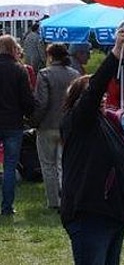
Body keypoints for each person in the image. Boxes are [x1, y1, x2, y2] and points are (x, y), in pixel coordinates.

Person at [60, 25, 124, 264]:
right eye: (95, 95)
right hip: (89, 212)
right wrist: (115, 55)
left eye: (103, 97)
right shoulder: (78, 122)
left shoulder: (111, 123)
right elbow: (94, 90)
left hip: (114, 214)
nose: (102, 98)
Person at [31, 44, 80, 210]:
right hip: (68, 126)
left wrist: (34, 122)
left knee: (48, 165)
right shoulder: (75, 74)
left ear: (50, 56)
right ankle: (67, 198)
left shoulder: (44, 74)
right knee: (64, 164)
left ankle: (53, 201)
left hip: (47, 125)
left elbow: (41, 102)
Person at [0, 35, 35, 215]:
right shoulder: (19, 70)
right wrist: (32, 115)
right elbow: (27, 99)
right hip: (13, 123)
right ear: (13, 48)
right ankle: (6, 207)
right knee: (9, 166)